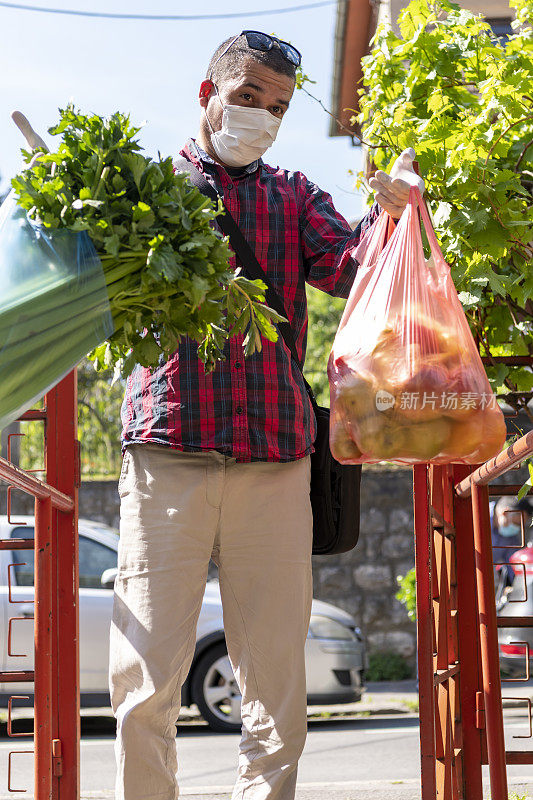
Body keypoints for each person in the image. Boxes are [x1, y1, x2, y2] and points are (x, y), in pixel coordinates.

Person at [13, 31, 416, 800]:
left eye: (276, 108)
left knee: (274, 686)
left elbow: (354, 268)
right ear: (207, 95)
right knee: (143, 682)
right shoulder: (148, 191)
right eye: (246, 98)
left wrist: (391, 210)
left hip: (275, 462)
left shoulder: (293, 195)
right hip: (168, 455)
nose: (261, 117)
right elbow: (71, 285)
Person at [492, 495, 532, 588]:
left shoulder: (511, 539)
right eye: (517, 523)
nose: (517, 529)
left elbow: (513, 567)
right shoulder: (476, 516)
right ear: (505, 513)